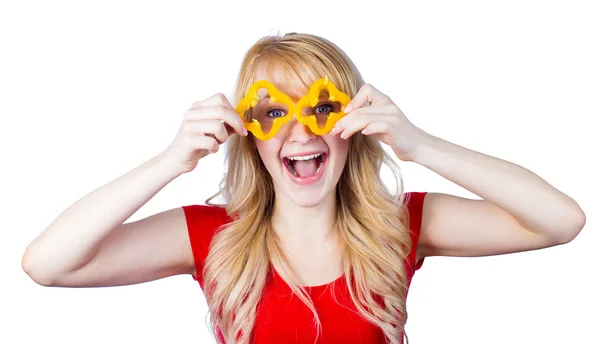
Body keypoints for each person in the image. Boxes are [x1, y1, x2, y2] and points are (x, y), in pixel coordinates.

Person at [21, 32, 586, 344]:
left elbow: (560, 221)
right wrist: (171, 161)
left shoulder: (399, 226)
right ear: (248, 134)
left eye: (321, 108)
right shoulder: (211, 237)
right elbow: (48, 264)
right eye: (272, 111)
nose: (298, 129)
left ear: (352, 125)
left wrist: (420, 145)